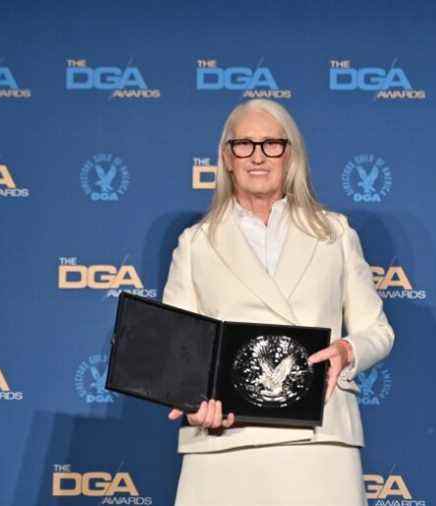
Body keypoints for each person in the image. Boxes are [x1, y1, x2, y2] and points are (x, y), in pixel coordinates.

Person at [163, 98, 395, 506]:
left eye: (271, 144)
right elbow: (179, 351)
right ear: (226, 157)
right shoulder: (195, 245)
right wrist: (192, 403)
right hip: (224, 443)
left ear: (291, 155)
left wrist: (346, 351)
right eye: (244, 145)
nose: (257, 156)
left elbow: (377, 331)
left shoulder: (335, 234)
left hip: (320, 441)